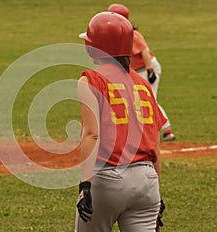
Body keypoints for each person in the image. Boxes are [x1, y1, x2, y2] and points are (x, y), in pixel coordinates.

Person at [75, 11, 166, 232]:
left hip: (108, 178)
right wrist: (157, 191)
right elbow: (154, 141)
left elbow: (91, 134)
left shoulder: (91, 79)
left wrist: (85, 185)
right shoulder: (142, 84)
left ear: (94, 47)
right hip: (147, 181)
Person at [108, 3, 176, 142]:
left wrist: (150, 70)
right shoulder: (119, 34)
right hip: (137, 70)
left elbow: (144, 50)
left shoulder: (132, 34)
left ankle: (167, 130)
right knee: (134, 100)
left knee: (150, 100)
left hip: (147, 68)